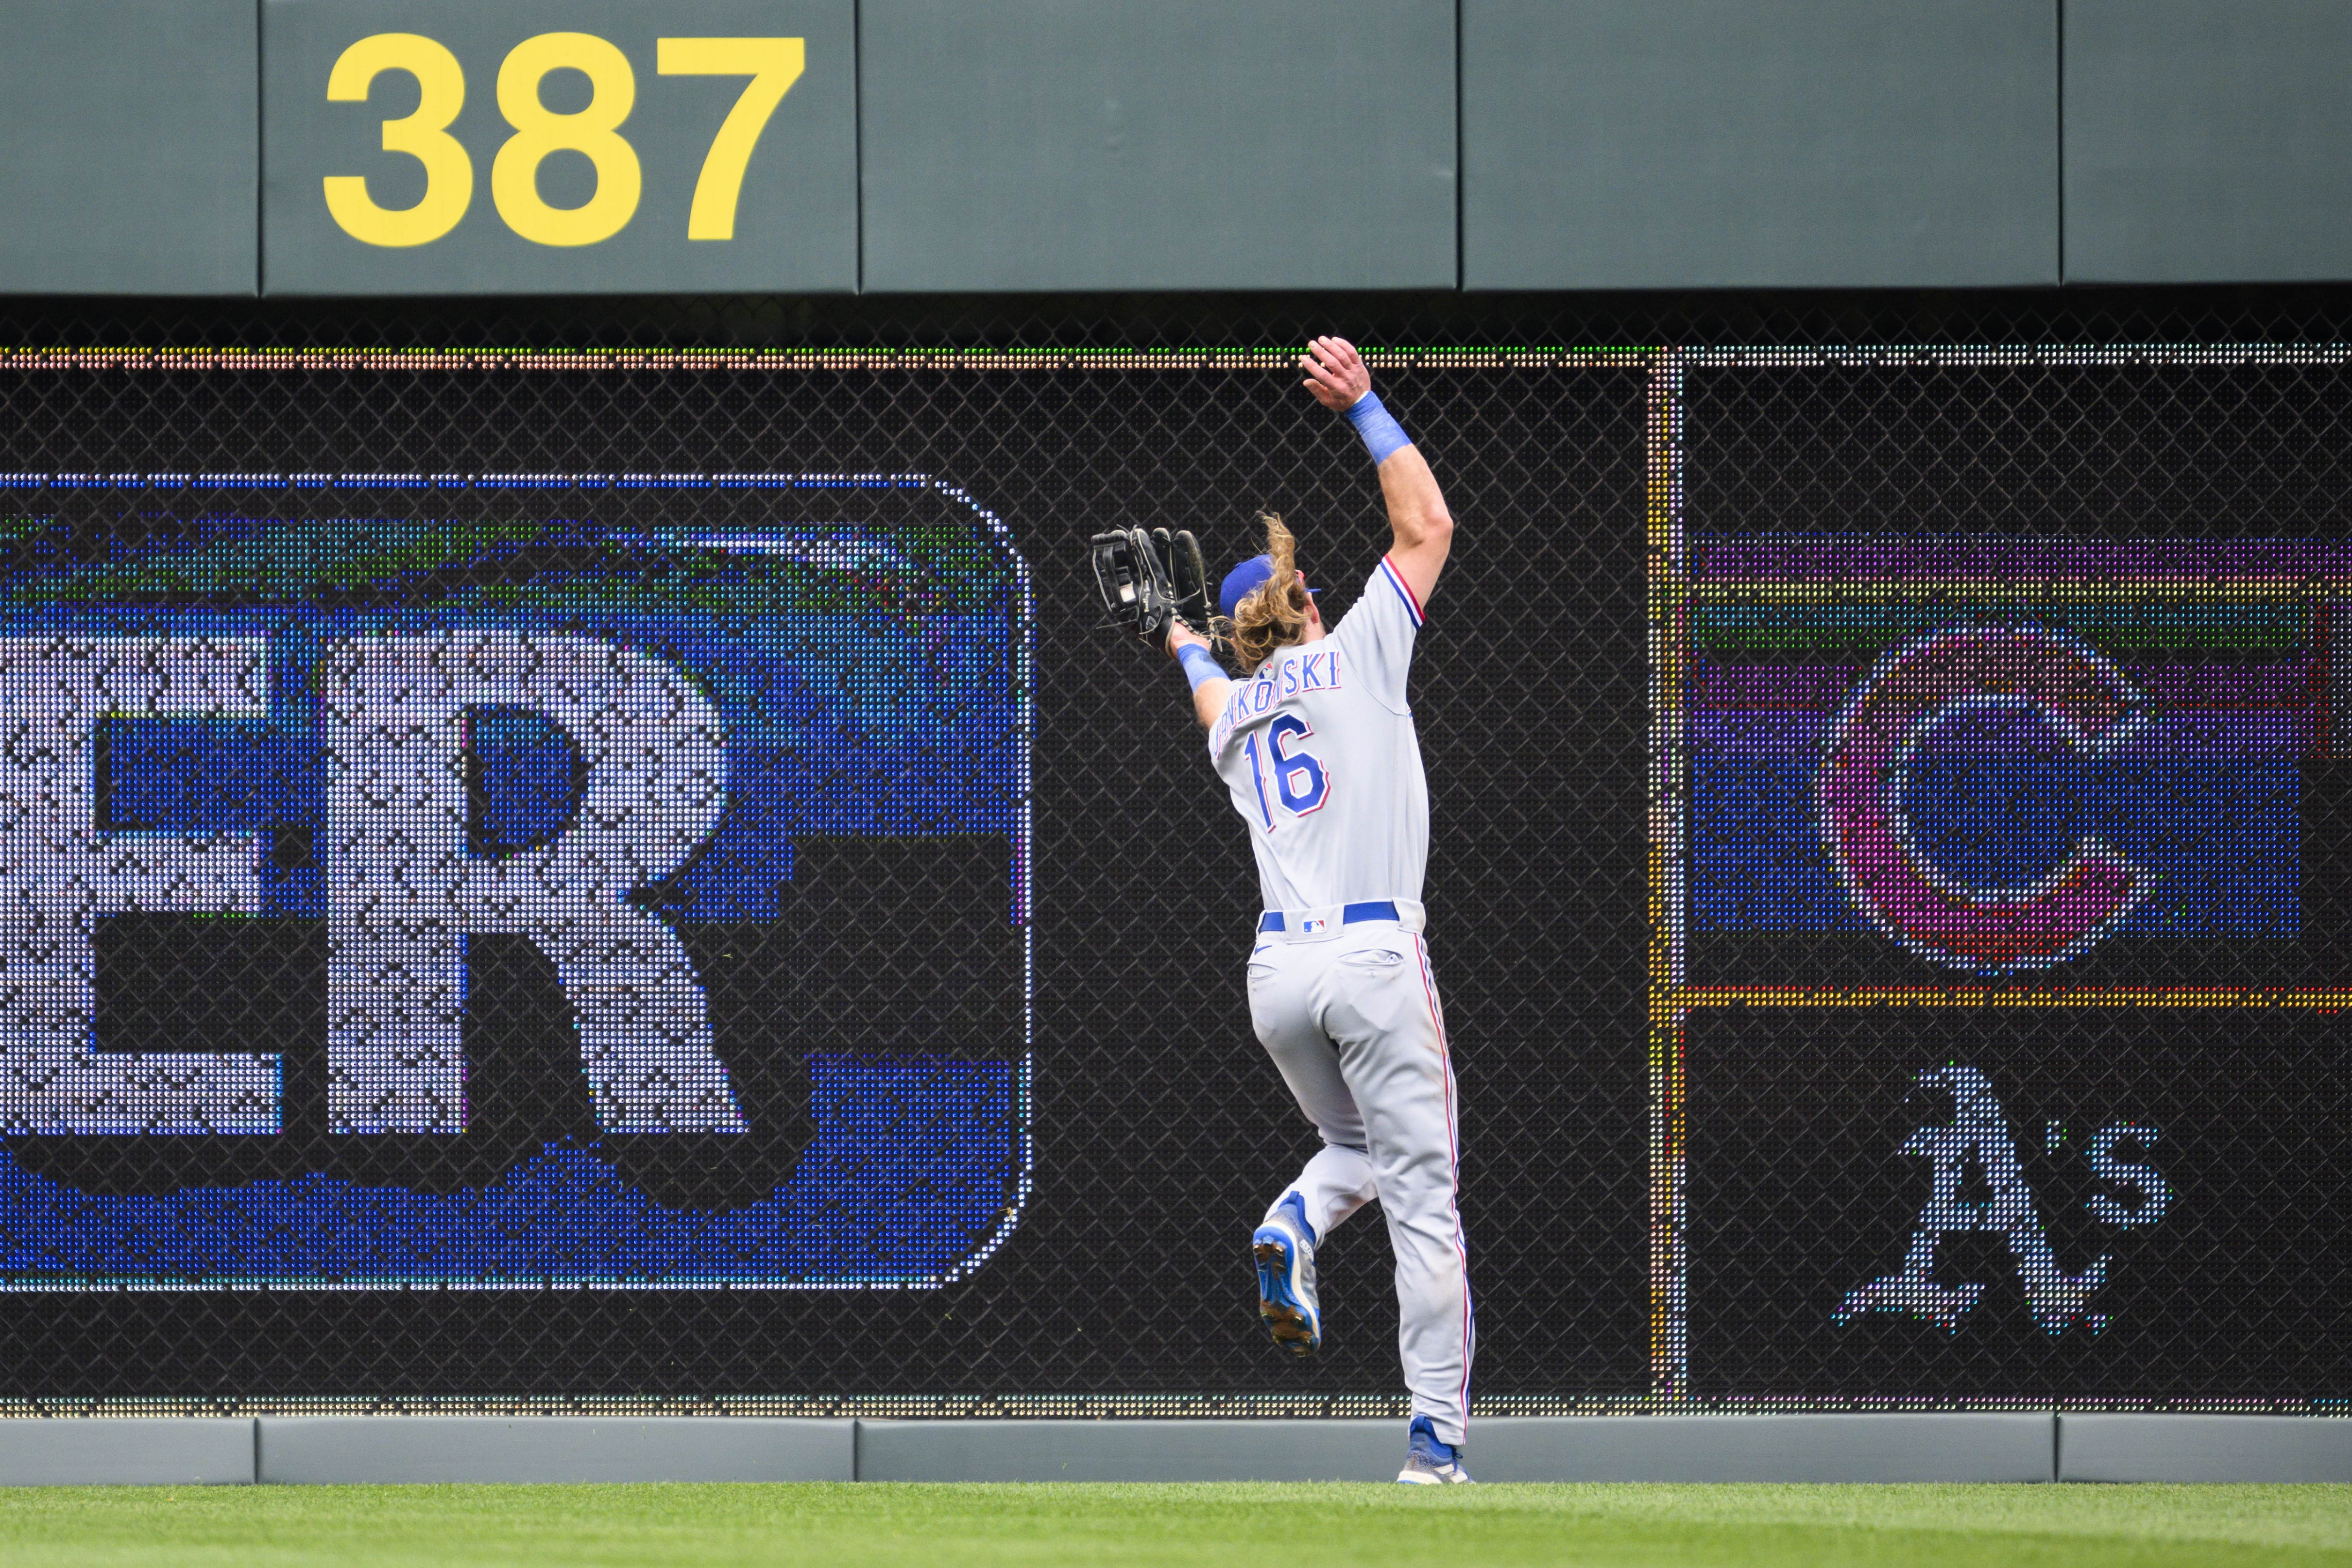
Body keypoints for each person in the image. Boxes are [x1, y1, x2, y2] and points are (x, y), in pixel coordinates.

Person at [1163, 336, 1472, 1485]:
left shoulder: (1237, 719)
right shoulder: (1359, 655)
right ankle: (1434, 1444)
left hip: (1278, 981)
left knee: (1353, 1151)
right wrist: (1367, 408)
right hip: (1375, 953)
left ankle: (1295, 1220)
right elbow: (1428, 528)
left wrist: (1179, 638)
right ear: (1310, 602)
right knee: (1423, 1197)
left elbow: (1204, 692)